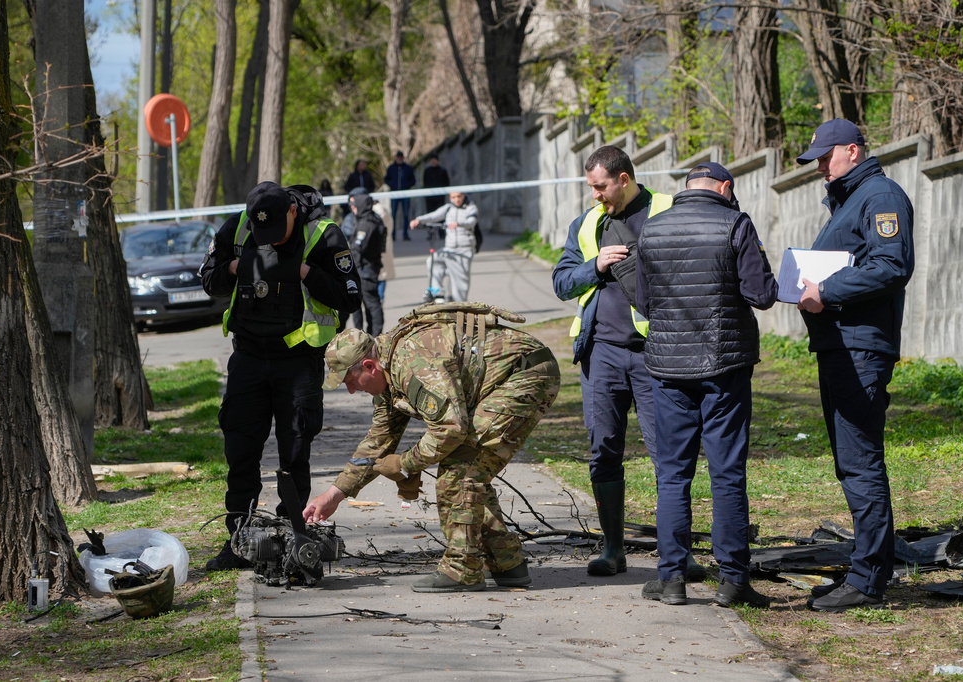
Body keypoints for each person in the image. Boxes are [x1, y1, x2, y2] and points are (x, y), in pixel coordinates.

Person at [303, 303, 562, 593]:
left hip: (525, 375)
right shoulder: (387, 377)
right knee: (465, 469)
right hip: (504, 379)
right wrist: (334, 494)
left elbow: (451, 428)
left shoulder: (410, 364)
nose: (352, 390)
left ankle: (462, 569)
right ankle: (507, 563)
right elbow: (378, 441)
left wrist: (405, 464)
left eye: (351, 381)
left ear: (368, 366)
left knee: (460, 472)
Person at [552, 145, 709, 580]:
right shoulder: (586, 224)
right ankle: (613, 549)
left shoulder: (667, 211)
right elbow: (562, 283)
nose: (596, 195)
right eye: (591, 188)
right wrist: (595, 266)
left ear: (623, 179)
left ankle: (677, 553)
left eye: (601, 187)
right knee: (603, 450)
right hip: (600, 354)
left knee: (669, 454)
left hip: (656, 355)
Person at [635, 162, 778, 607]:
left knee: (673, 475)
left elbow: (643, 300)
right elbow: (761, 294)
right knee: (727, 474)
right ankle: (733, 580)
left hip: (668, 369)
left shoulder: (652, 228)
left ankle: (672, 579)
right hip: (725, 368)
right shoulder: (735, 223)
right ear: (725, 188)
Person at [200, 181, 362, 570]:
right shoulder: (237, 228)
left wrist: (302, 271)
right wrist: (238, 267)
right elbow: (209, 279)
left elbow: (350, 297)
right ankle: (239, 539)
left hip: (297, 360)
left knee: (294, 452)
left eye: (276, 232)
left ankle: (294, 536)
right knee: (240, 449)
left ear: (292, 211)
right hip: (249, 356)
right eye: (262, 233)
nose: (269, 240)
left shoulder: (323, 235)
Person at [795, 119, 914, 612]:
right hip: (842, 346)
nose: (820, 166)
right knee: (853, 461)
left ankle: (868, 581)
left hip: (861, 349)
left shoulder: (879, 194)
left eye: (826, 157)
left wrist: (826, 291)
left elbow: (891, 265)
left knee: (860, 461)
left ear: (853, 150)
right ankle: (870, 569)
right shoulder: (849, 199)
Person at [410, 191, 478, 303]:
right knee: (433, 260)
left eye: (459, 197)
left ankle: (460, 304)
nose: (456, 199)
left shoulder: (471, 208)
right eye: (453, 197)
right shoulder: (448, 208)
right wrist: (419, 220)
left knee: (460, 281)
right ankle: (438, 293)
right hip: (449, 248)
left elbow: (471, 221)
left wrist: (459, 223)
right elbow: (434, 216)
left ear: (463, 196)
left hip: (464, 249)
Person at [347, 192, 388, 336]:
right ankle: (366, 334)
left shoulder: (367, 223)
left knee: (372, 304)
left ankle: (375, 335)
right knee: (361, 305)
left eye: (355, 206)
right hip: (364, 268)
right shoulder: (367, 219)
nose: (353, 209)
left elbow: (359, 246)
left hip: (365, 269)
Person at [385, 151, 417, 240]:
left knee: (406, 215)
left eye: (401, 157)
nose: (399, 159)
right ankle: (393, 235)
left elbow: (413, 180)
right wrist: (392, 185)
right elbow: (386, 179)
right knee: (393, 215)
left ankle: (405, 234)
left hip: (405, 194)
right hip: (394, 194)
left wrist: (407, 185)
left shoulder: (408, 168)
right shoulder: (391, 168)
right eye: (398, 157)